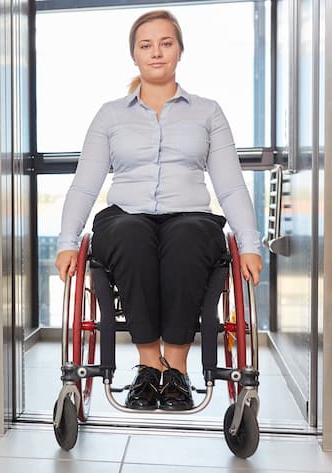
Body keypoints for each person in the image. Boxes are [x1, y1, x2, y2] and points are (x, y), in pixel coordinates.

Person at [55, 10, 263, 411]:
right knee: (131, 235)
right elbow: (85, 182)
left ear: (179, 51)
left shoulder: (208, 112)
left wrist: (250, 243)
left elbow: (230, 183)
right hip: (125, 215)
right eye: (146, 45)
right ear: (134, 54)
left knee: (187, 238)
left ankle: (177, 370)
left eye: (165, 43)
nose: (156, 53)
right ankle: (149, 367)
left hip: (190, 215)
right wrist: (67, 241)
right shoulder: (110, 115)